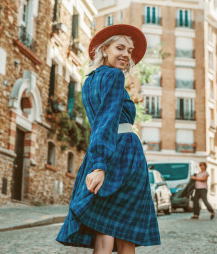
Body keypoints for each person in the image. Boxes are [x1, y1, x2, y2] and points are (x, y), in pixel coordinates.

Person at [56, 24, 161, 253]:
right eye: (120, 47)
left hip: (104, 150)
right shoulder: (114, 76)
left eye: (129, 51)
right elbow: (107, 119)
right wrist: (100, 165)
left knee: (107, 224)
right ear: (104, 49)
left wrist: (97, 162)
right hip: (124, 154)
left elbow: (100, 123)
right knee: (126, 230)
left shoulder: (89, 81)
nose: (126, 54)